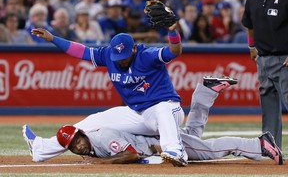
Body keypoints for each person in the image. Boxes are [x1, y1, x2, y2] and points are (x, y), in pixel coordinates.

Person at [27, 17, 188, 166]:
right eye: (118, 56)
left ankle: (175, 151)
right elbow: (81, 51)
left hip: (168, 109)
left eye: (124, 56)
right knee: (94, 120)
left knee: (162, 109)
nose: (121, 60)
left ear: (133, 48)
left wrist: (173, 32)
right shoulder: (108, 55)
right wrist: (54, 39)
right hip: (139, 113)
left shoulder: (147, 55)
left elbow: (174, 51)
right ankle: (42, 148)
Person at [25, 77, 284, 165]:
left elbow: (130, 154)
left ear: (82, 133)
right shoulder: (90, 134)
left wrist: (105, 163)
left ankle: (258, 144)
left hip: (155, 138)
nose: (78, 147)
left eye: (77, 141)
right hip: (153, 132)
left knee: (209, 150)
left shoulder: (99, 134)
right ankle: (205, 92)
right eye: (72, 146)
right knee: (191, 135)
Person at [241, 0, 288, 149]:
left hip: (284, 59)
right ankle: (271, 147)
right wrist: (251, 47)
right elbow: (249, 24)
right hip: (263, 58)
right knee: (268, 103)